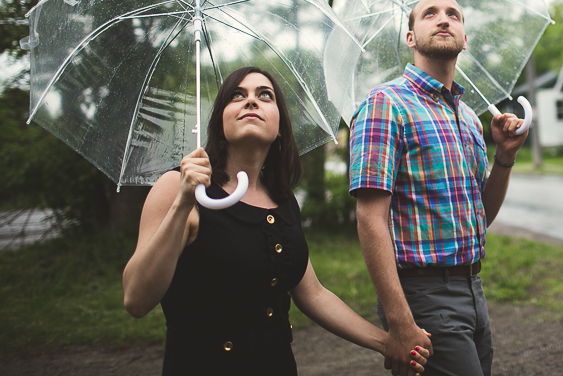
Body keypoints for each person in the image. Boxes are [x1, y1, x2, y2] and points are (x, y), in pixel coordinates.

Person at [123, 66, 429, 376]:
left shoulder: (283, 203)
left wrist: (386, 343)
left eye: (264, 95)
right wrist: (182, 204)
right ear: (220, 123)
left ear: (280, 126)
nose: (251, 101)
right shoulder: (177, 189)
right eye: (237, 95)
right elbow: (136, 299)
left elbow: (313, 294)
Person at [349, 0, 528, 376]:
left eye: (454, 15)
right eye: (429, 14)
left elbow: (481, 215)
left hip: (473, 289)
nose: (443, 19)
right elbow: (370, 218)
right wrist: (400, 320)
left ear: (465, 39)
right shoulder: (387, 104)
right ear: (411, 37)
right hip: (422, 295)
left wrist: (505, 158)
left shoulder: (467, 117)